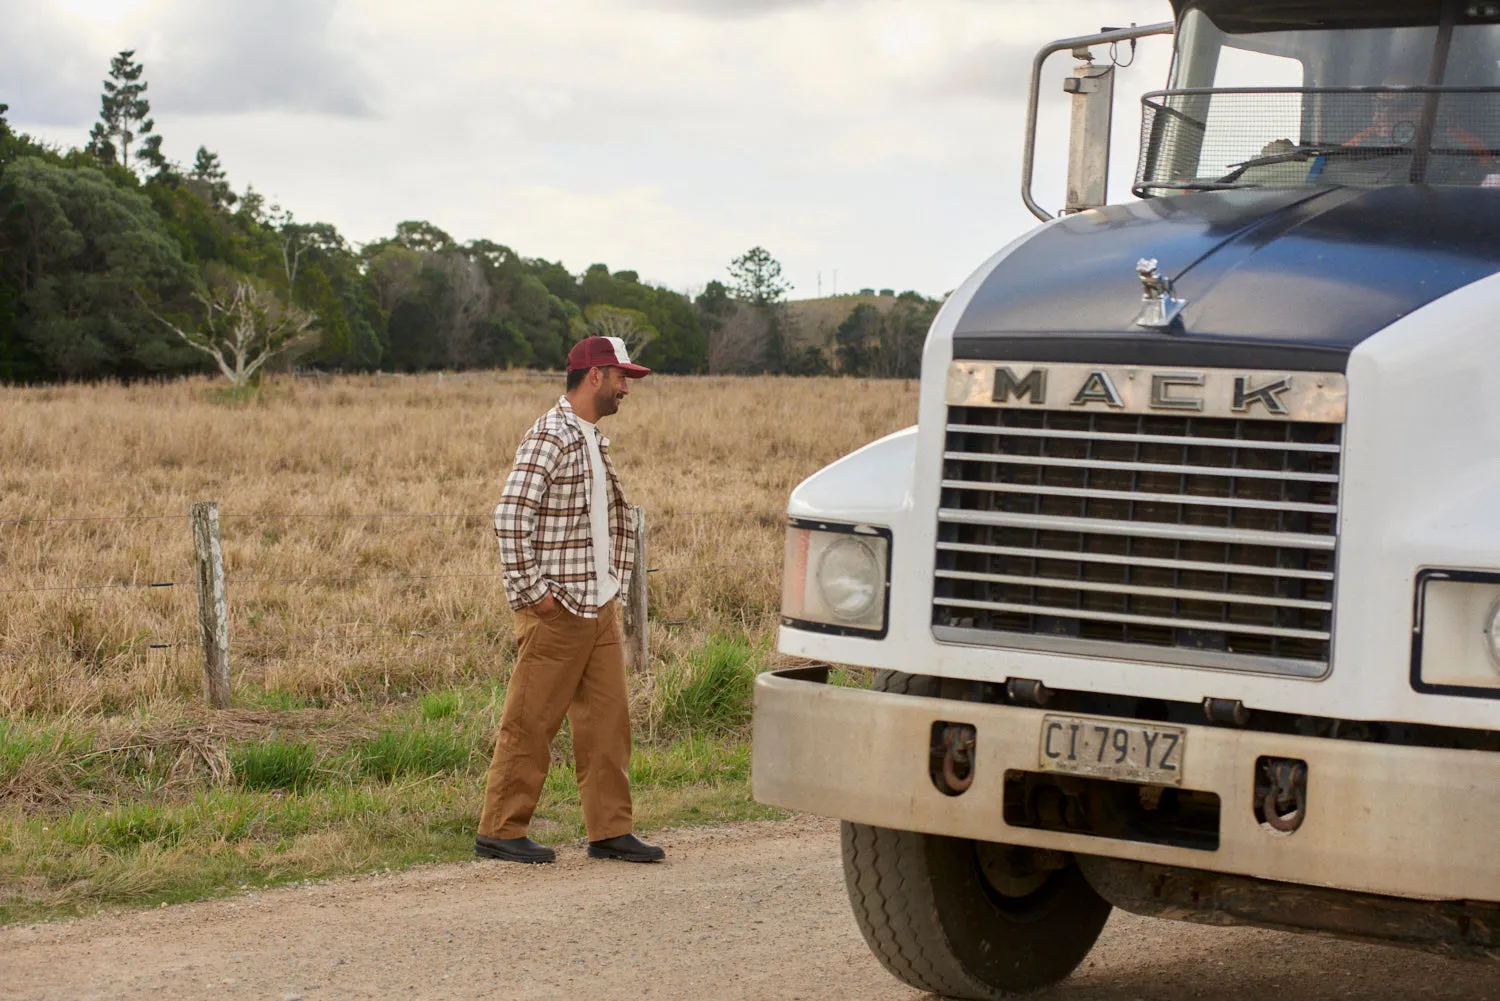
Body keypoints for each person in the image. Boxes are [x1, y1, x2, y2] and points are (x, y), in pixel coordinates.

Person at [474, 335, 664, 865]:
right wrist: (533, 594)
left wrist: (610, 592)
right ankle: (500, 830)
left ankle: (609, 831)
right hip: (556, 608)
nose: (628, 387)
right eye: (622, 377)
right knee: (531, 720)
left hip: (598, 604)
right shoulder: (551, 435)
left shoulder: (591, 438)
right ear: (596, 375)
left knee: (608, 723)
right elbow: (510, 516)